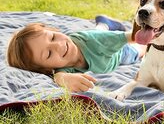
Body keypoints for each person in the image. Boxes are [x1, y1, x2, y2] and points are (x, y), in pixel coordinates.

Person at [7, 16, 147, 93]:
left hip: (116, 53)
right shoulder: (62, 67)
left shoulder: (96, 41)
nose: (58, 45)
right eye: (49, 53)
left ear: (55, 30)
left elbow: (132, 36)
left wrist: (145, 37)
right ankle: (103, 23)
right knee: (99, 31)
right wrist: (64, 79)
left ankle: (105, 24)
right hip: (99, 41)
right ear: (46, 69)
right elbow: (59, 76)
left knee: (139, 50)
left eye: (53, 37)